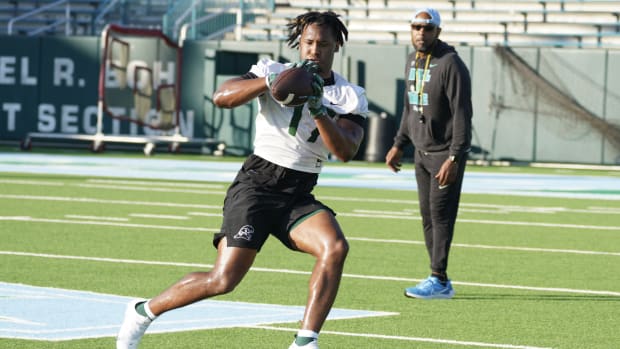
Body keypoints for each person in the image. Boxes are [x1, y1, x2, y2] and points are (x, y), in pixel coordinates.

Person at [116, 11, 368, 349]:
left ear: (336, 45)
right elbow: (222, 97)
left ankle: (305, 342)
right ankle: (142, 311)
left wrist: (318, 107)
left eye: (323, 44)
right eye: (308, 43)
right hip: (257, 184)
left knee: (335, 247)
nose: (314, 51)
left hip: (299, 190)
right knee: (223, 279)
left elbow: (346, 149)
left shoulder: (350, 95)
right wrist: (269, 84)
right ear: (300, 43)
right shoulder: (273, 70)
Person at [385, 7, 472, 300]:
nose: (421, 33)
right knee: (427, 216)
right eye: (416, 27)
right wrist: (399, 144)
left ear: (438, 32)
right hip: (421, 153)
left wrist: (455, 157)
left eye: (428, 28)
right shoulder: (412, 61)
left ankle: (439, 279)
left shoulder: (451, 64)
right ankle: (436, 276)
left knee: (441, 215)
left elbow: (462, 115)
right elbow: (410, 108)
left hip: (444, 154)